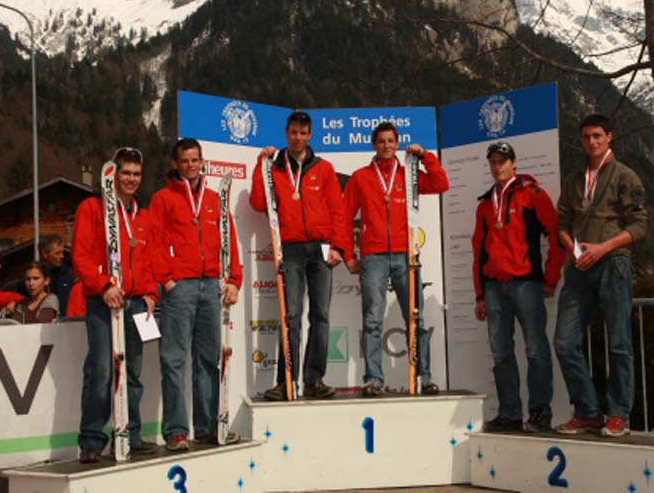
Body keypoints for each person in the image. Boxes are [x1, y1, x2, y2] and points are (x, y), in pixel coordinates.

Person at [553, 114, 647, 438]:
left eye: (597, 135)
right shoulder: (574, 179)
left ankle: (619, 414)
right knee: (564, 342)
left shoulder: (625, 176)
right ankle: (588, 412)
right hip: (579, 267)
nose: (591, 142)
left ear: (610, 136)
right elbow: (562, 223)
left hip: (613, 263)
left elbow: (639, 225)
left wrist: (603, 248)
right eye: (586, 137)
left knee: (619, 342)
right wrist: (574, 248)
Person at [343, 121, 449, 396]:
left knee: (416, 318)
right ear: (374, 144)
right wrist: (348, 253)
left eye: (391, 141)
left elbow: (441, 183)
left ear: (398, 143)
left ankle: (423, 377)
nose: (386, 146)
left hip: (406, 255)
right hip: (374, 257)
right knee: (372, 321)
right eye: (381, 141)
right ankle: (374, 379)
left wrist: (425, 157)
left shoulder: (409, 174)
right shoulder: (360, 177)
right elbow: (344, 216)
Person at [150, 138, 243, 450]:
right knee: (174, 360)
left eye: (195, 160)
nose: (190, 166)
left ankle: (207, 427)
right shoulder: (163, 199)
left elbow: (229, 241)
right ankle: (176, 431)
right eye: (185, 161)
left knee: (208, 360)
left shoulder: (215, 199)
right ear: (176, 164)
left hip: (211, 285)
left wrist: (234, 279)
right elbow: (154, 242)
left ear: (203, 162)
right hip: (180, 287)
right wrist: (166, 280)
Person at [250, 111, 349, 401]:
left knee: (321, 316)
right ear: (286, 133)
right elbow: (258, 203)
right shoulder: (275, 168)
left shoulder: (324, 168)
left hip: (321, 248)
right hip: (290, 248)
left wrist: (339, 246)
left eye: (303, 133)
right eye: (294, 132)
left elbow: (338, 210)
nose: (298, 138)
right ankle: (286, 381)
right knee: (291, 316)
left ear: (310, 135)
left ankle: (314, 380)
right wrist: (261, 164)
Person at [73, 147, 160, 463]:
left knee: (132, 372)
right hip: (103, 302)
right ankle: (91, 440)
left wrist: (151, 293)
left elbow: (149, 260)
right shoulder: (92, 208)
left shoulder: (143, 215)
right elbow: (81, 255)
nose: (131, 179)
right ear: (113, 174)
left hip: (135, 304)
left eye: (136, 174)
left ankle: (129, 435)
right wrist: (104, 285)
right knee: (100, 372)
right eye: (126, 173)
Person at [471, 142, 565, 432]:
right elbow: (479, 252)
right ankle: (509, 413)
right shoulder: (485, 204)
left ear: (514, 163)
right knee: (501, 353)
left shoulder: (533, 195)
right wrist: (479, 294)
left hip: (527, 285)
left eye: (502, 161)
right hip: (494, 288)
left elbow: (557, 236)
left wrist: (551, 278)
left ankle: (540, 413)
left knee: (536, 349)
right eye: (493, 162)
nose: (497, 166)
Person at [9, 234, 74, 317]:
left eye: (63, 252)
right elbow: (22, 304)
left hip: (66, 322)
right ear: (45, 254)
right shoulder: (27, 281)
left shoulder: (68, 275)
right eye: (57, 253)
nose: (62, 256)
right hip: (39, 321)